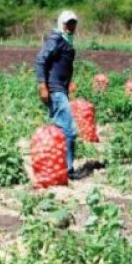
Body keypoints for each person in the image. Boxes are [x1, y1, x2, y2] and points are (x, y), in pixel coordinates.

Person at [35, 10, 81, 179]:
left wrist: (69, 82)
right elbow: (41, 60)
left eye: (73, 23)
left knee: (59, 128)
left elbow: (63, 66)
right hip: (55, 90)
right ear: (61, 23)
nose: (70, 27)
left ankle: (53, 165)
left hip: (60, 89)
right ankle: (68, 170)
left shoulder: (66, 42)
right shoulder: (56, 39)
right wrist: (42, 86)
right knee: (69, 130)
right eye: (68, 23)